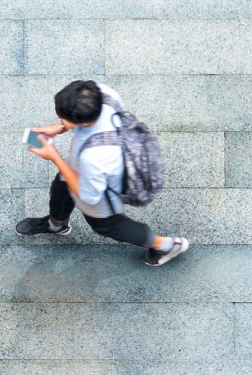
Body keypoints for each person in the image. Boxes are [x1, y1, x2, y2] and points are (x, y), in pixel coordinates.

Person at [15, 80, 188, 266]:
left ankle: (166, 245)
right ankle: (55, 225)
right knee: (60, 189)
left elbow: (88, 195)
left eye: (64, 118)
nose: (61, 121)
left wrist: (54, 157)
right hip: (85, 168)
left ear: (85, 121)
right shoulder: (104, 94)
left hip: (100, 191)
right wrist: (61, 127)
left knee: (108, 226)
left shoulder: (95, 157)